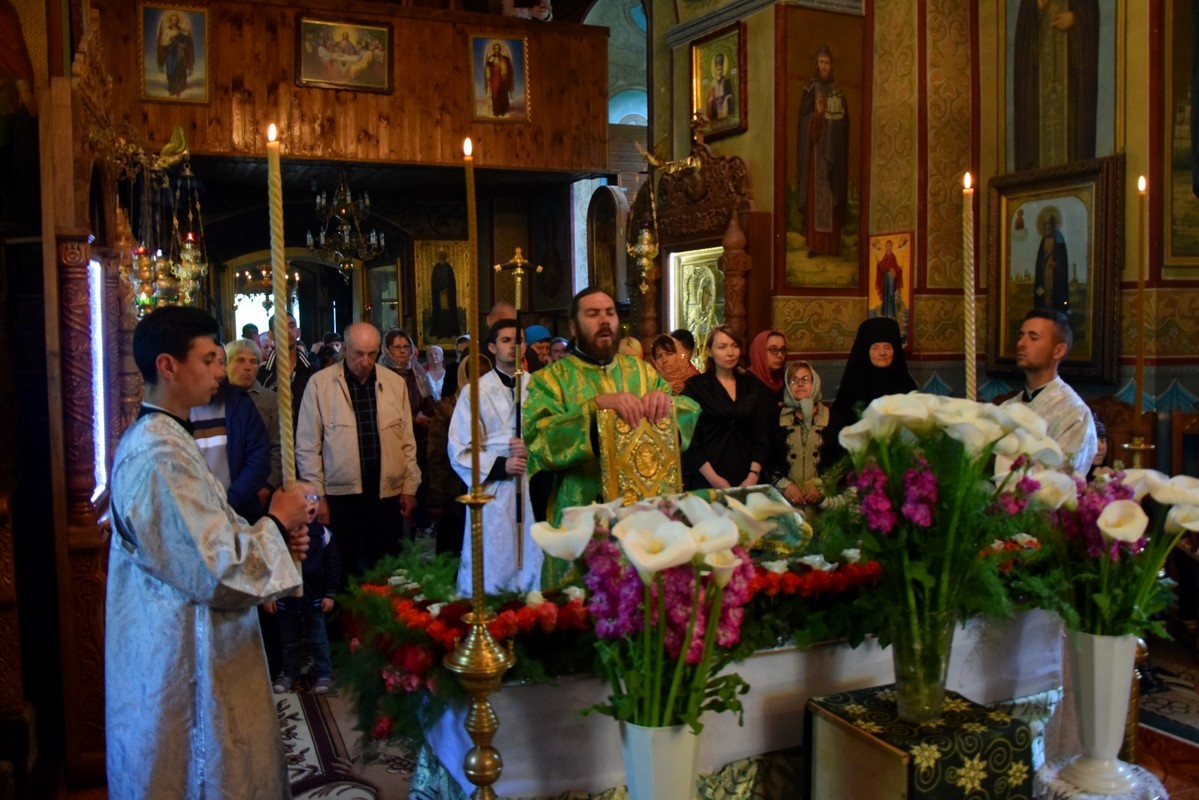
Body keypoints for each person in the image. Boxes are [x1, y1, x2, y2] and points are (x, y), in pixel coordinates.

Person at [106, 306, 311, 799]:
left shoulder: (171, 437)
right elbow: (213, 569)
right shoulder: (159, 456)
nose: (220, 371)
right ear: (168, 365)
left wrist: (274, 536)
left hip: (190, 640)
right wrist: (276, 522)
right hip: (181, 659)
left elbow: (211, 529)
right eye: (208, 360)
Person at [525, 287, 701, 534]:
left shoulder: (642, 372)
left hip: (644, 516)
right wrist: (594, 408)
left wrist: (665, 403)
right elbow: (538, 442)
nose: (604, 320)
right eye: (593, 314)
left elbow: (688, 412)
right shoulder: (550, 380)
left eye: (610, 313)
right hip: (582, 517)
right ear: (573, 327)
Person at [296, 322, 421, 577]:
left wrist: (409, 487)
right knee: (343, 567)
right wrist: (317, 496)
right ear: (345, 348)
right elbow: (308, 447)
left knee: (387, 566)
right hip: (340, 493)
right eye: (359, 354)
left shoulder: (393, 383)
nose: (365, 361)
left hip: (386, 490)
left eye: (372, 354)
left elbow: (407, 441)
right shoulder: (320, 384)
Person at [449, 319, 543, 594]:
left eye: (519, 340)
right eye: (506, 340)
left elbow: (552, 435)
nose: (514, 346)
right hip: (492, 488)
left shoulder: (538, 387)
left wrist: (532, 449)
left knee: (530, 552)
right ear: (492, 347)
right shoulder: (474, 391)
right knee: (494, 555)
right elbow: (459, 448)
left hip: (532, 482)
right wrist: (502, 465)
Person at [1001, 309, 1098, 475]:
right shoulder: (1006, 408)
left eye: (1033, 338)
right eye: (1020, 336)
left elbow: (1062, 478)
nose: (1021, 344)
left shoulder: (1075, 414)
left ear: (1058, 351)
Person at [265, 482, 340, 695]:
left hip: (313, 596)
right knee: (289, 640)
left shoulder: (323, 535)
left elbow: (333, 566)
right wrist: (269, 595)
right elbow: (269, 567)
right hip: (286, 598)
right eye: (305, 498)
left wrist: (329, 593)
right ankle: (290, 672)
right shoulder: (277, 536)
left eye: (315, 498)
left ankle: (323, 672)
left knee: (318, 638)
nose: (311, 503)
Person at [1013, 0, 1099, 171]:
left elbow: (1091, 12)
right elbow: (1024, 33)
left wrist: (1075, 17)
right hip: (1040, 77)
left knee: (1073, 130)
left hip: (1071, 73)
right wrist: (1038, 8)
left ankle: (1078, 170)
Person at [682, 326, 771, 490]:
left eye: (735, 346)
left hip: (749, 476)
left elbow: (761, 435)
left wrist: (753, 475)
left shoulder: (751, 384)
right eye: (722, 347)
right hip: (708, 477)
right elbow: (690, 440)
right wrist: (714, 479)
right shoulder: (695, 387)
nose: (730, 353)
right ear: (709, 351)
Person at [189, 345, 271, 522]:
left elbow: (258, 456)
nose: (218, 371)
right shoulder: (180, 408)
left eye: (221, 363)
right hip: (194, 511)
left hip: (239, 508)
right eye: (209, 362)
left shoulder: (240, 403)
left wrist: (231, 501)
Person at [822, 317, 917, 467]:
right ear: (866, 350)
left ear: (895, 350)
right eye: (875, 348)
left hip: (899, 461)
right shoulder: (852, 386)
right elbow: (842, 431)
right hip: (859, 462)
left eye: (888, 347)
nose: (882, 353)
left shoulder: (907, 385)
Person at [797, 44, 850, 258]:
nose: (825, 66)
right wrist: (817, 116)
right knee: (816, 199)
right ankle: (816, 245)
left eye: (827, 62)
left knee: (832, 196)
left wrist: (836, 125)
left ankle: (832, 245)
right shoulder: (811, 90)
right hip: (816, 154)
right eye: (821, 62)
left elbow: (845, 124)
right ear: (816, 65)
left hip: (833, 153)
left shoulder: (838, 92)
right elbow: (803, 123)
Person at [225, 338, 282, 513]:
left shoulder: (270, 399)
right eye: (240, 360)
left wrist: (268, 486)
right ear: (226, 364)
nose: (248, 367)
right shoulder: (216, 399)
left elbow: (278, 447)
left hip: (258, 489)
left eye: (253, 361)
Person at [769, 361, 830, 515]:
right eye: (794, 380)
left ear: (815, 383)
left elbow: (841, 461)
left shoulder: (833, 418)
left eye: (805, 379)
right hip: (784, 503)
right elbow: (767, 460)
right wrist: (785, 486)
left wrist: (820, 485)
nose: (800, 384)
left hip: (825, 505)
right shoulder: (775, 419)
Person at [257, 312, 317, 425]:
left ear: (298, 332)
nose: (288, 331)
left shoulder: (312, 372)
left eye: (292, 326)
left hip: (304, 433)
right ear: (271, 335)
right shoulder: (262, 374)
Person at [1033, 211, 1070, 314]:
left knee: (1054, 292)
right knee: (1044, 292)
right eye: (1046, 224)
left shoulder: (1059, 238)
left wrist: (1056, 265)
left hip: (1055, 274)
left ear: (1053, 225)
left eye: (1049, 224)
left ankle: (1056, 311)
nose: (1047, 227)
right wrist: (1043, 263)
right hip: (1045, 272)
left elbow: (1062, 260)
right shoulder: (1043, 240)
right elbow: (1040, 258)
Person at [155, 11, 194, 98]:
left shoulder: (181, 31)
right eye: (172, 19)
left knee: (179, 70)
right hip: (170, 52)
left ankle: (178, 89)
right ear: (170, 21)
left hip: (179, 53)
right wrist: (170, 38)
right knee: (170, 69)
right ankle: (172, 88)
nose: (174, 21)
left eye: (176, 20)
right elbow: (163, 42)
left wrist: (183, 45)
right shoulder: (167, 31)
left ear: (178, 21)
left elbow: (187, 41)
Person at [747, 329, 787, 403]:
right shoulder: (746, 382)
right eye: (773, 350)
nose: (780, 355)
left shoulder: (785, 379)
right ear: (760, 352)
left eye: (783, 350)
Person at [430, 250, 461, 339]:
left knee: (448, 312)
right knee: (440, 312)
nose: (442, 258)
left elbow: (451, 281)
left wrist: (447, 289)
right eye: (440, 256)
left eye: (443, 256)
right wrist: (439, 289)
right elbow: (434, 281)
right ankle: (439, 332)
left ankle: (449, 332)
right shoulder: (436, 268)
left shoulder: (449, 268)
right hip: (439, 294)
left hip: (448, 294)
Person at [485, 42, 514, 117]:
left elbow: (506, 68)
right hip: (494, 78)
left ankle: (502, 110)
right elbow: (488, 69)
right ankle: (496, 111)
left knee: (502, 93)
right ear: (494, 49)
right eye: (495, 48)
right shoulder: (491, 58)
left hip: (502, 78)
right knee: (495, 94)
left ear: (499, 49)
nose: (496, 49)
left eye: (498, 48)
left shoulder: (503, 58)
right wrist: (488, 78)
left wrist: (505, 76)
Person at [875, 239, 902, 318]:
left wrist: (898, 270)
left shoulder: (893, 256)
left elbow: (895, 267)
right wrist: (878, 264)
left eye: (889, 246)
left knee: (890, 294)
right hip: (885, 278)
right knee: (885, 293)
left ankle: (891, 314)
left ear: (891, 247)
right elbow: (883, 266)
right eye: (887, 246)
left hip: (891, 278)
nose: (888, 247)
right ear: (885, 247)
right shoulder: (885, 256)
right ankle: (885, 313)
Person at [706, 52, 735, 121]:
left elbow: (730, 94)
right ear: (715, 71)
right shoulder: (713, 83)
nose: (719, 71)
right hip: (716, 107)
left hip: (724, 105)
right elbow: (709, 98)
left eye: (720, 69)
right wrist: (711, 100)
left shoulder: (726, 81)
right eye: (718, 69)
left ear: (723, 70)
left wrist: (726, 98)